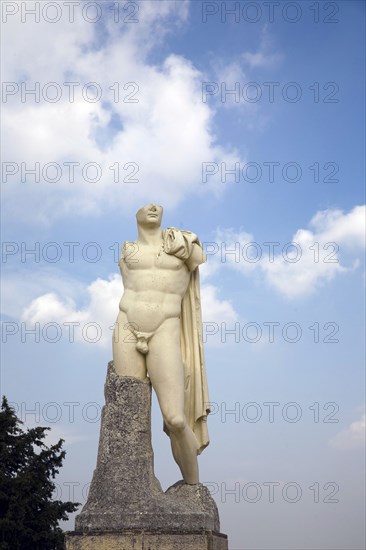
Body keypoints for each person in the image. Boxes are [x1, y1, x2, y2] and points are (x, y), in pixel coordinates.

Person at [112, 204, 210, 485]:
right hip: (126, 325)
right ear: (135, 216)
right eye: (146, 205)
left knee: (176, 419)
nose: (154, 206)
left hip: (166, 326)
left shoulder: (182, 242)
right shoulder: (127, 249)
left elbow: (199, 259)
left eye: (158, 205)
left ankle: (193, 490)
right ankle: (131, 487)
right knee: (128, 412)